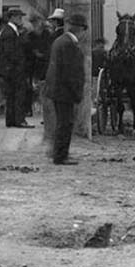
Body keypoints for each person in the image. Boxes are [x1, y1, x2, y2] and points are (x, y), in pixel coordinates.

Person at [44, 13, 88, 165]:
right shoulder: (69, 45)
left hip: (58, 89)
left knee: (63, 122)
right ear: (80, 30)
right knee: (66, 123)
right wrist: (77, 93)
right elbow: (71, 72)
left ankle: (60, 153)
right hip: (65, 91)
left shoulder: (60, 41)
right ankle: (61, 156)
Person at [0, 8, 32, 128]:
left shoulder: (12, 31)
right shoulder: (9, 33)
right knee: (18, 94)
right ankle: (18, 120)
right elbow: (10, 52)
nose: (20, 19)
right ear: (12, 17)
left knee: (12, 95)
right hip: (14, 69)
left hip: (12, 69)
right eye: (18, 17)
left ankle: (12, 119)